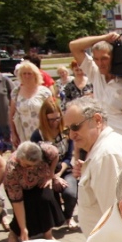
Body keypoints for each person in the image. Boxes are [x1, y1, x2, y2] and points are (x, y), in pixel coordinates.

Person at [63, 97, 122, 236]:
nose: (71, 135)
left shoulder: (107, 155)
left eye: (75, 127)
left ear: (97, 120)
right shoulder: (102, 152)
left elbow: (117, 216)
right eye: (67, 130)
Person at [69, 32, 122, 152]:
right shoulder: (95, 73)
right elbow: (74, 46)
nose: (100, 63)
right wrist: (104, 38)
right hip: (106, 139)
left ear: (114, 58)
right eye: (96, 59)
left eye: (104, 59)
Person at [3, 141, 65, 242]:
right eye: (27, 165)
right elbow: (18, 202)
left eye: (34, 165)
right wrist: (23, 229)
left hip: (40, 181)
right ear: (20, 158)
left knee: (46, 199)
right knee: (26, 207)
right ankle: (14, 231)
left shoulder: (47, 150)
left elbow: (55, 155)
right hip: (20, 188)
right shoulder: (12, 169)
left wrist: (51, 174)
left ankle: (48, 234)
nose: (31, 168)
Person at [30, 98, 78, 230]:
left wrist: (58, 175)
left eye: (57, 118)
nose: (55, 122)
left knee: (70, 193)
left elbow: (68, 157)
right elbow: (36, 161)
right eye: (51, 119)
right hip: (44, 172)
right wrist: (52, 177)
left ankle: (69, 216)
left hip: (64, 169)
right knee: (48, 197)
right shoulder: (37, 135)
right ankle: (53, 221)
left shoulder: (66, 131)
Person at [9, 60, 53, 148]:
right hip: (23, 134)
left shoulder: (45, 92)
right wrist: (13, 133)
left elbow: (52, 113)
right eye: (24, 74)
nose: (27, 76)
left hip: (42, 133)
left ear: (35, 75)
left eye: (29, 73)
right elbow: (11, 114)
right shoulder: (16, 92)